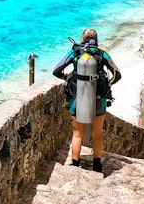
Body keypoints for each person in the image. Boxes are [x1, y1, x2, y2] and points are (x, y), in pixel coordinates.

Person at [52, 28, 121, 173]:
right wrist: (108, 84)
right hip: (99, 100)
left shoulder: (75, 52)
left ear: (82, 39)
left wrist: (68, 78)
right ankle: (97, 165)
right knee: (97, 134)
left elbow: (56, 70)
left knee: (77, 134)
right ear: (97, 39)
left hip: (77, 99)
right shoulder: (102, 53)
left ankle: (75, 164)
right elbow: (118, 74)